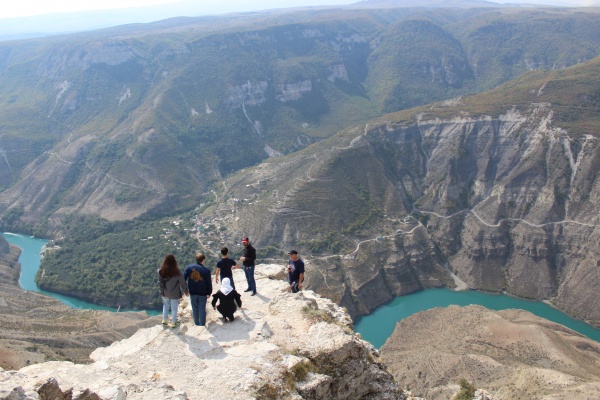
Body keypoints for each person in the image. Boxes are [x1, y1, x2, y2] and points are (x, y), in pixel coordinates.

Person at [158, 254, 188, 328]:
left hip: (165, 292)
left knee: (165, 306)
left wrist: (162, 292)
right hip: (174, 292)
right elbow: (182, 282)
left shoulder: (161, 271)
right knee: (174, 308)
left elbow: (160, 283)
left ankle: (164, 321)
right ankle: (174, 322)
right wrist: (185, 290)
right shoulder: (177, 272)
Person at [183, 253, 212, 326]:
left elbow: (183, 278)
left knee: (194, 308)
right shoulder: (206, 270)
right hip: (202, 292)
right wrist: (209, 292)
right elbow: (209, 282)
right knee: (202, 308)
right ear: (203, 260)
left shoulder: (189, 268)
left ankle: (196, 323)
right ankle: (202, 325)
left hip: (192, 291)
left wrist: (185, 289)